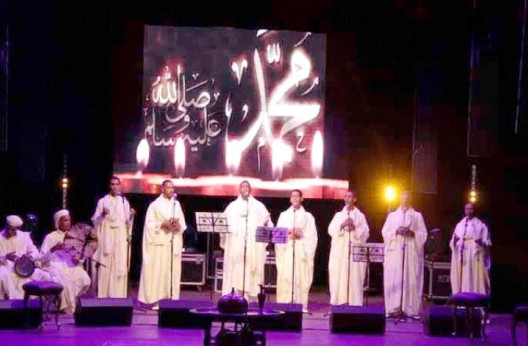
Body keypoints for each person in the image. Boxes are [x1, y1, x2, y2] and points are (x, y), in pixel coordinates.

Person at [138, 180, 186, 307]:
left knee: (171, 273)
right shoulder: (154, 205)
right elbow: (148, 225)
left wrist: (177, 225)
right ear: (162, 189)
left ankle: (171, 300)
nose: (171, 190)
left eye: (172, 188)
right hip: (159, 245)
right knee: (159, 273)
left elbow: (183, 225)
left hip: (172, 244)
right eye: (168, 188)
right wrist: (161, 224)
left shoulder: (177, 205)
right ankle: (157, 300)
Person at [221, 180, 272, 300]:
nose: (245, 188)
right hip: (236, 245)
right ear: (239, 189)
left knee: (251, 269)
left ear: (251, 189)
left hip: (252, 246)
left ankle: (250, 297)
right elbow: (222, 224)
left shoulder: (259, 206)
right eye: (243, 186)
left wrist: (266, 226)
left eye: (247, 186)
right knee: (236, 269)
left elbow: (268, 223)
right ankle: (233, 296)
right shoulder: (232, 206)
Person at [40, 210, 97, 314]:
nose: (69, 222)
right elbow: (42, 259)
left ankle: (67, 302)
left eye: (69, 220)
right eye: (66, 220)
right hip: (55, 266)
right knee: (64, 282)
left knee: (85, 279)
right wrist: (53, 249)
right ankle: (66, 306)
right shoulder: (50, 237)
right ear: (58, 222)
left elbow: (81, 253)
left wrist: (79, 258)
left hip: (71, 265)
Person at [381, 191, 427, 318]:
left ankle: (410, 309)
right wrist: (396, 231)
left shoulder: (417, 216)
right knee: (395, 277)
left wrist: (412, 233)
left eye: (407, 197)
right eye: (402, 197)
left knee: (411, 279)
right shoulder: (392, 216)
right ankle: (394, 307)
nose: (405, 199)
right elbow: (385, 232)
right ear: (399, 199)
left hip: (411, 252)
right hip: (396, 252)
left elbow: (423, 234)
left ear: (411, 199)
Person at [91, 176, 135, 298]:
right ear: (109, 186)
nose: (115, 186)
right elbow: (95, 221)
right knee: (105, 266)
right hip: (107, 237)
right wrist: (103, 214)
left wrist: (131, 216)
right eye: (112, 184)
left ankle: (118, 296)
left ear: (120, 186)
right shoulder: (102, 202)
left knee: (119, 265)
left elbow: (127, 224)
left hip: (120, 238)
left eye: (117, 184)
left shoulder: (124, 202)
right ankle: (103, 296)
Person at [275, 190, 317, 310]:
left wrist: (301, 234)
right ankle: (285, 303)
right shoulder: (284, 215)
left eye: (297, 196)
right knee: (287, 276)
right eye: (293, 196)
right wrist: (289, 231)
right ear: (290, 199)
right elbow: (278, 233)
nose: (295, 198)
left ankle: (300, 304)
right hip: (287, 249)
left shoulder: (308, 217)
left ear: (301, 199)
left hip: (301, 251)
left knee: (300, 277)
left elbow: (312, 236)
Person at [328, 190, 370, 306]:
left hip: (354, 251)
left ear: (354, 199)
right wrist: (342, 225)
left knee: (354, 276)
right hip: (340, 252)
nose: (347, 199)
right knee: (339, 274)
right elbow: (331, 230)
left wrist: (354, 228)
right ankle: (339, 301)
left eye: (350, 197)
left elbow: (366, 233)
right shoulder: (338, 215)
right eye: (345, 197)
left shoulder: (360, 216)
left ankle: (354, 302)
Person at [0, 215, 50, 299]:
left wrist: (28, 256)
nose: (10, 232)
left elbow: (35, 252)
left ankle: (39, 306)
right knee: (2, 276)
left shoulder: (24, 236)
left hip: (24, 268)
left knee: (45, 276)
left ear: (18, 228)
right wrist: (5, 257)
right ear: (6, 225)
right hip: (6, 268)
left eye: (13, 229)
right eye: (8, 228)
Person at [450, 203, 491, 295]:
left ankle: (476, 296)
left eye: (471, 209)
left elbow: (486, 242)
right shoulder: (460, 225)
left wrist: (481, 243)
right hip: (463, 251)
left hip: (475, 253)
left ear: (474, 210)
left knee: (473, 274)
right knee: (464, 275)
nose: (468, 211)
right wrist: (455, 241)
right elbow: (453, 241)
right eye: (466, 209)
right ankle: (463, 296)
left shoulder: (481, 225)